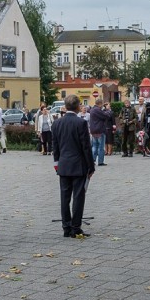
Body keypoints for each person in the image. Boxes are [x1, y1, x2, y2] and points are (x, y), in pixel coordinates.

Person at [52, 94, 96, 238]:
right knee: (78, 196)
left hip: (63, 165)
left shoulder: (57, 123)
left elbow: (55, 146)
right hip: (78, 166)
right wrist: (91, 166)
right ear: (78, 106)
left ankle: (66, 227)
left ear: (65, 106)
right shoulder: (81, 123)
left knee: (64, 197)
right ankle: (76, 227)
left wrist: (56, 164)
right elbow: (86, 147)